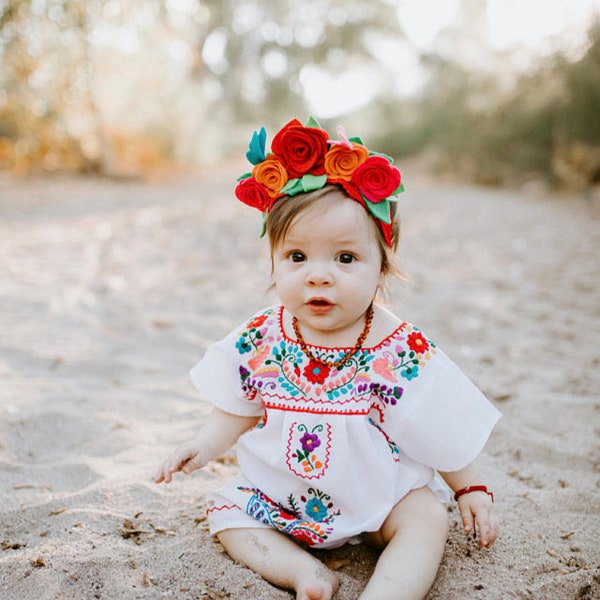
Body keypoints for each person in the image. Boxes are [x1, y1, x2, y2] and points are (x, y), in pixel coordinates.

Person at [155, 117, 501, 600]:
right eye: (297, 257)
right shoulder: (264, 335)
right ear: (273, 260)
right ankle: (305, 574)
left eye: (344, 259)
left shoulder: (398, 346)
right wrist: (202, 445)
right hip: (283, 499)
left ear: (382, 263)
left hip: (379, 499)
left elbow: (438, 424)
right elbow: (237, 407)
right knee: (225, 509)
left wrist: (470, 488)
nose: (318, 276)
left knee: (424, 516)